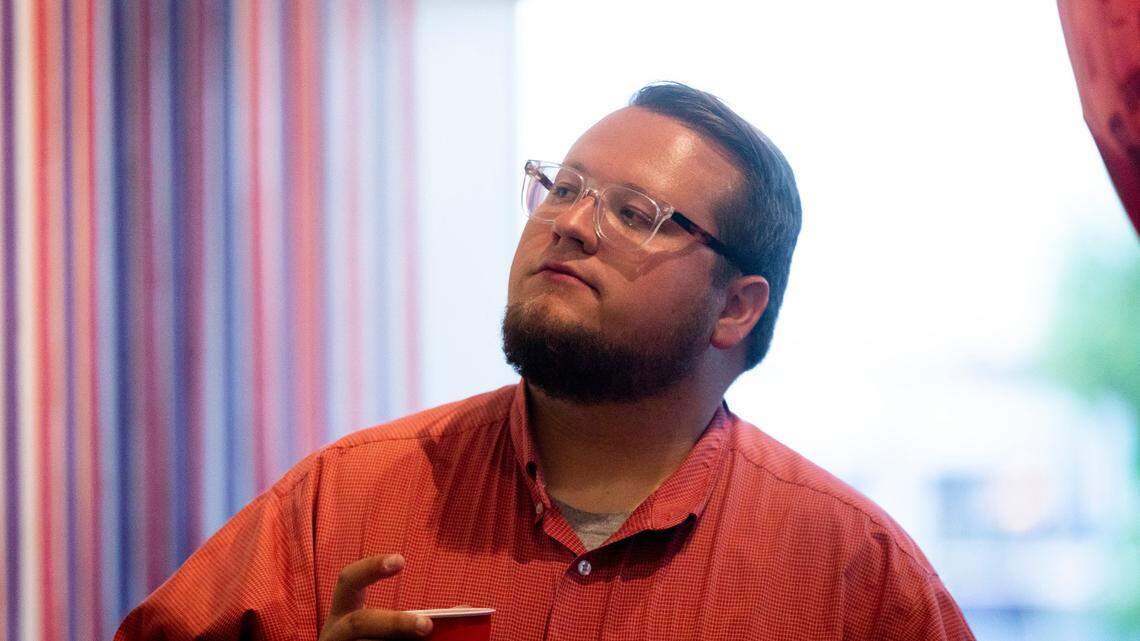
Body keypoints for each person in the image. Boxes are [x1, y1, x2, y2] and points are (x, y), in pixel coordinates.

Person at [115, 82, 975, 641]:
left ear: (737, 307)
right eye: (564, 187)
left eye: (636, 211)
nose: (569, 222)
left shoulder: (854, 576)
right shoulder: (339, 502)